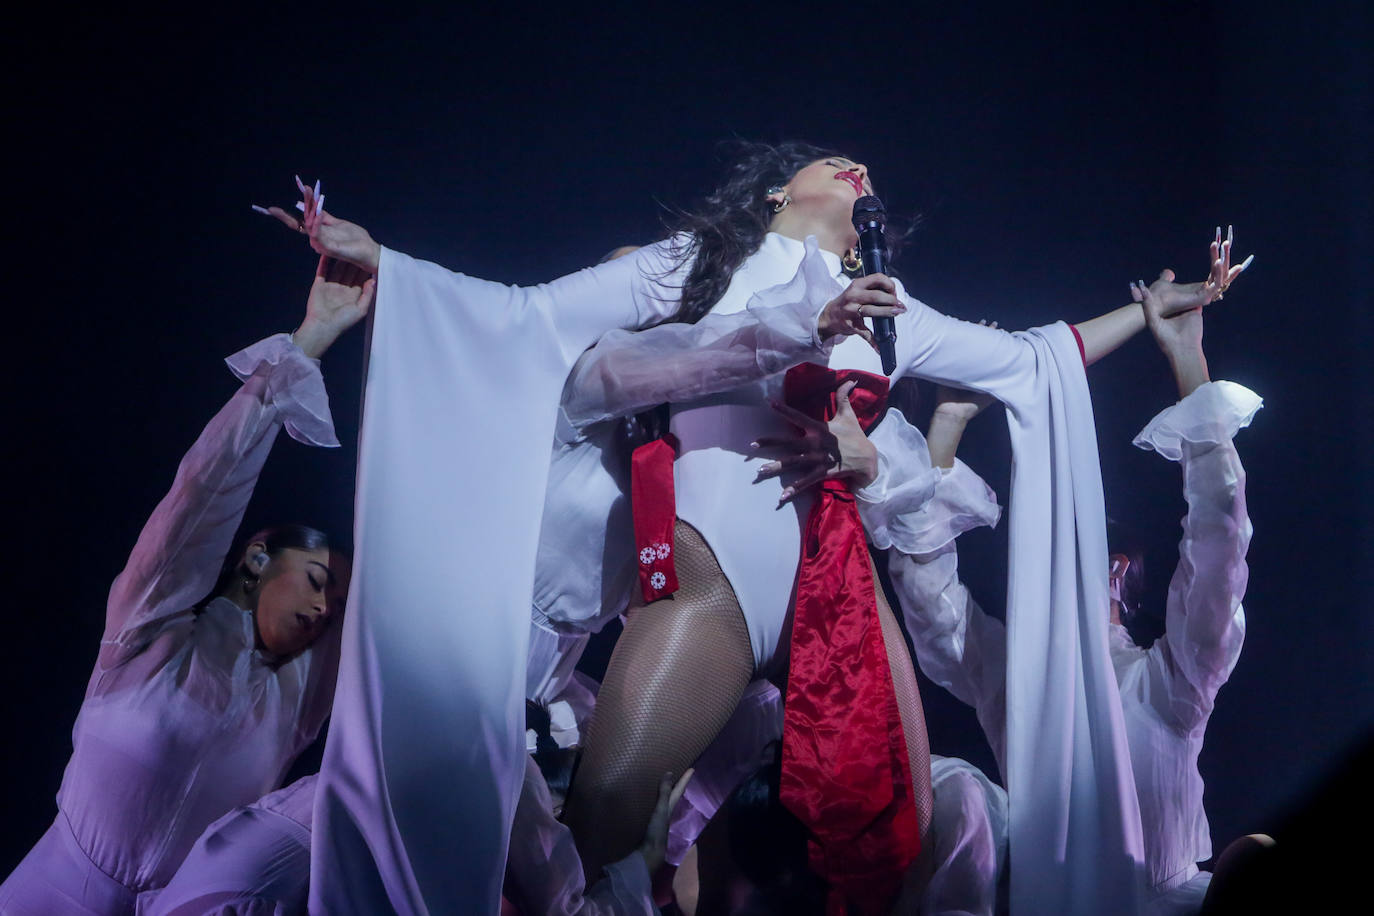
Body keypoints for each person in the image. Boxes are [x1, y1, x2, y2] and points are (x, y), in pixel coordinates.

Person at [264, 149, 1244, 914]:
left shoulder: (891, 311)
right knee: (606, 812)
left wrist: (1147, 314)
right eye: (830, 157)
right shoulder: (703, 263)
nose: (853, 166)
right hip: (720, 565)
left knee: (909, 829)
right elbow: (532, 319)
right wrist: (386, 262)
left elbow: (1033, 361)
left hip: (841, 588)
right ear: (779, 191)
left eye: (864, 168)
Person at [0, 256, 372, 915]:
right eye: (316, 581)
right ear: (259, 557)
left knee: (355, 784)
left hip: (186, 906)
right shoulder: (149, 636)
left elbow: (390, 597)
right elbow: (198, 500)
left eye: (336, 605)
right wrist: (311, 339)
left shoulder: (297, 700)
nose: (323, 608)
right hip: (51, 897)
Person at [883, 273, 1259, 914]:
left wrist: (1188, 361)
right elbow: (928, 601)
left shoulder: (1169, 682)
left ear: (1116, 574)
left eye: (1080, 555)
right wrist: (948, 420)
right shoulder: (1019, 678)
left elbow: (1219, 542)